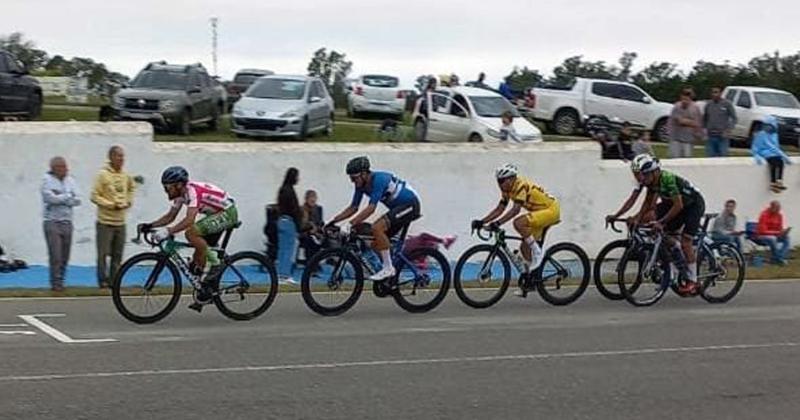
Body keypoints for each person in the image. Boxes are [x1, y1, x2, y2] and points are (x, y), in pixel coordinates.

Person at [140, 166, 239, 310]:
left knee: (191, 233)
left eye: (168, 187)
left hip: (228, 213)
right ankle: (205, 288)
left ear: (178, 185)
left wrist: (168, 231)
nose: (166, 191)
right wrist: (150, 225)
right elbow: (170, 216)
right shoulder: (180, 195)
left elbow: (189, 220)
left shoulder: (192, 192)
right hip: (216, 214)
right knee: (198, 250)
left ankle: (215, 264)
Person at [326, 156, 421, 281]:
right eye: (350, 178)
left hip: (410, 205)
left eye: (354, 178)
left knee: (377, 227)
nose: (352, 181)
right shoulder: (361, 186)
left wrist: (349, 224)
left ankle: (388, 269)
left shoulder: (379, 180)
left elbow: (371, 208)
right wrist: (333, 221)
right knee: (376, 244)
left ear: (364, 174)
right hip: (398, 209)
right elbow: (353, 208)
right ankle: (391, 274)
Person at [472, 164, 560, 296]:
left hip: (550, 210)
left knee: (518, 223)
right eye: (498, 181)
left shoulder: (520, 185)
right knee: (524, 248)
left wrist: (497, 223)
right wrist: (482, 221)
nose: (500, 184)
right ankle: (531, 281)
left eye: (502, 181)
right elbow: (500, 209)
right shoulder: (507, 190)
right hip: (538, 213)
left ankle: (537, 252)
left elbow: (515, 210)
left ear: (511, 179)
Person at [631, 155, 706, 294]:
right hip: (680, 205)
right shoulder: (652, 183)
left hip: (694, 204)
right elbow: (647, 204)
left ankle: (693, 281)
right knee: (663, 234)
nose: (644, 179)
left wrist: (661, 222)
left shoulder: (667, 179)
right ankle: (674, 265)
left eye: (646, 176)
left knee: (686, 241)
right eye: (643, 176)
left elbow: (678, 205)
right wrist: (638, 220)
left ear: (654, 173)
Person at [90, 145, 135, 289]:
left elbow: (132, 188)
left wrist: (128, 201)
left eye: (123, 156)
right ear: (111, 157)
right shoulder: (102, 175)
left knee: (118, 254)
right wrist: (110, 205)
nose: (121, 159)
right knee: (102, 254)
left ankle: (114, 281)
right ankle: (102, 281)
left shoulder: (125, 175)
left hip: (120, 221)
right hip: (105, 221)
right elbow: (94, 196)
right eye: (118, 156)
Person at [41, 156, 81, 292]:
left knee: (65, 255)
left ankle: (61, 280)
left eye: (66, 166)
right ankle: (55, 283)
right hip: (52, 221)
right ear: (54, 168)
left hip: (67, 221)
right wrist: (67, 196)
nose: (65, 169)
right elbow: (49, 198)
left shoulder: (71, 180)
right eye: (62, 167)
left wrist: (62, 197)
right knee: (55, 255)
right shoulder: (47, 180)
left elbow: (77, 200)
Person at [605, 154, 655, 225]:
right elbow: (631, 200)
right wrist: (616, 216)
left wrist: (637, 218)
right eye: (635, 174)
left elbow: (649, 205)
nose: (636, 177)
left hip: (669, 207)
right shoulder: (642, 180)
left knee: (649, 217)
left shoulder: (655, 181)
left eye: (638, 174)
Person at [751, 115, 791, 193]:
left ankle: (779, 181)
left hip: (774, 152)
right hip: (765, 152)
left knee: (780, 162)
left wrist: (782, 156)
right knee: (774, 162)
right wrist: (757, 155)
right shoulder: (762, 134)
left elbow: (776, 146)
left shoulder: (774, 135)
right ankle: (773, 182)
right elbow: (756, 146)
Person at [276, 168, 302, 284]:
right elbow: (294, 210)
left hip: (281, 220)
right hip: (289, 222)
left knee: (282, 250)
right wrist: (299, 224)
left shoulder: (282, 189)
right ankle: (285, 275)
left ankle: (280, 273)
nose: (298, 179)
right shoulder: (289, 191)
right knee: (288, 250)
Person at [702, 86, 737, 157]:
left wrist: (728, 130)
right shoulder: (708, 104)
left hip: (722, 136)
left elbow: (734, 118)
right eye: (712, 92)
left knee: (722, 157)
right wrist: (704, 130)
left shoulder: (727, 104)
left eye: (716, 92)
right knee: (710, 157)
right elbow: (705, 119)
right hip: (710, 136)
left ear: (721, 93)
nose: (714, 94)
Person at [754, 200, 791, 265]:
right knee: (772, 238)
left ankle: (778, 257)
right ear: (772, 207)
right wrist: (776, 233)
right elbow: (763, 231)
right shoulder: (764, 214)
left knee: (787, 238)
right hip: (762, 236)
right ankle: (779, 260)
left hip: (775, 235)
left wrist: (783, 232)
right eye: (777, 209)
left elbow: (780, 228)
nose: (778, 211)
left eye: (779, 209)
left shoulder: (779, 215)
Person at [668, 88, 703, 158]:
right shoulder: (677, 107)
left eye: (686, 99)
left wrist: (698, 133)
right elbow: (680, 121)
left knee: (687, 159)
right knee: (675, 159)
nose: (684, 101)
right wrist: (691, 122)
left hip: (689, 139)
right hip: (676, 138)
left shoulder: (695, 108)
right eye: (683, 99)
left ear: (690, 99)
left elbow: (697, 123)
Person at [299, 189, 324, 261]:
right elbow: (301, 225)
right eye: (310, 197)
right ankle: (310, 261)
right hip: (305, 233)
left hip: (316, 232)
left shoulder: (318, 209)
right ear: (306, 199)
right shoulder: (302, 210)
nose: (313, 199)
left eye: (314, 197)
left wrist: (317, 230)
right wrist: (310, 228)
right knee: (310, 240)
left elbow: (320, 223)